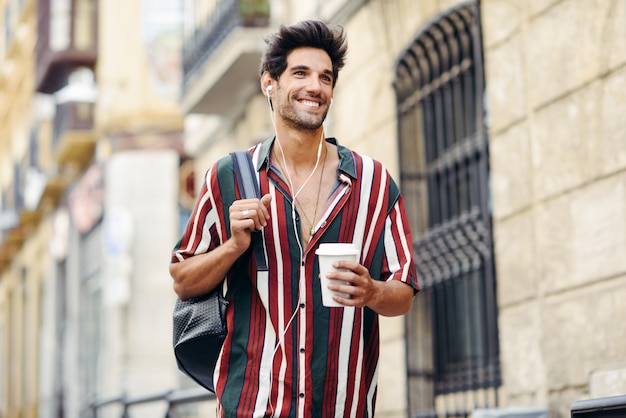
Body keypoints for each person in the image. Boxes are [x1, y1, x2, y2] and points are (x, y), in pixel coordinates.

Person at [170, 20, 419, 417]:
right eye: (300, 73)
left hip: (343, 407)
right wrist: (234, 246)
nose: (314, 87)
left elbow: (404, 289)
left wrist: (371, 292)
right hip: (252, 407)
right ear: (270, 83)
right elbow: (182, 279)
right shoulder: (229, 176)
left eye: (325, 78)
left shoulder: (374, 183)